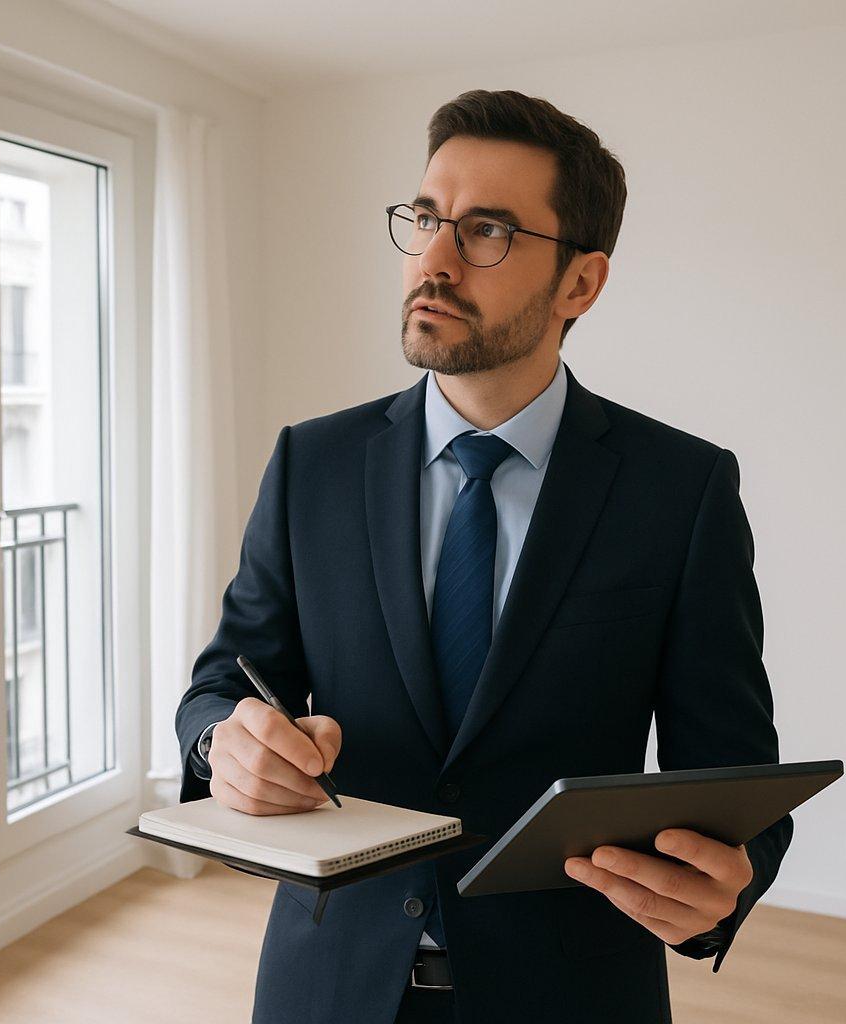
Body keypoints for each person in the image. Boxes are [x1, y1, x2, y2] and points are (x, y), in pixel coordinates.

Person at [175, 89, 793, 1024]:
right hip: (328, 984)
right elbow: (225, 682)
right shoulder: (313, 463)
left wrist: (722, 895)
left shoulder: (682, 489)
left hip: (573, 994)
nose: (431, 259)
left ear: (581, 284)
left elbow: (736, 770)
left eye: (488, 230)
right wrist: (225, 744)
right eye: (425, 218)